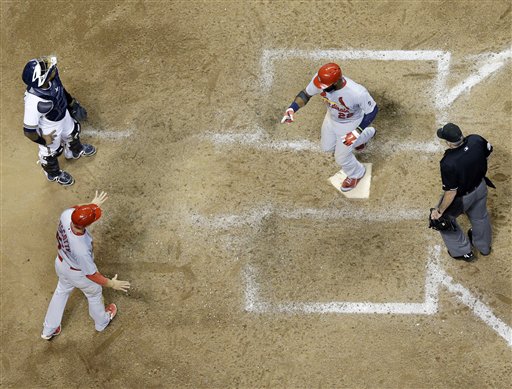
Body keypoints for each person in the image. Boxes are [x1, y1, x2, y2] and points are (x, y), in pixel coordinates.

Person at [41, 191, 130, 340]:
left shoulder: (66, 215)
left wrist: (91, 206)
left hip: (61, 264)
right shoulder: (81, 248)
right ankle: (102, 321)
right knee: (94, 293)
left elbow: (75, 208)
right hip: (78, 273)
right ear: (87, 225)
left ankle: (48, 330)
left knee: (61, 291)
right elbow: (91, 274)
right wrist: (112, 283)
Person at [281, 63, 379, 191]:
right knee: (327, 148)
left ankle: (357, 173)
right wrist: (292, 108)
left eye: (326, 87)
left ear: (337, 81)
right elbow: (306, 94)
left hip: (351, 123)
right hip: (331, 118)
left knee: (341, 157)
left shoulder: (357, 92)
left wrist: (356, 132)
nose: (322, 89)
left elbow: (373, 110)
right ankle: (364, 137)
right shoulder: (320, 80)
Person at [22, 55, 96, 186]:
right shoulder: (33, 102)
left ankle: (74, 151)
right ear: (42, 79)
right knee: (50, 153)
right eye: (46, 69)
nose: (51, 66)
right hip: (49, 127)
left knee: (73, 132)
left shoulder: (53, 77)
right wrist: (43, 139)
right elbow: (28, 131)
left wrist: (72, 103)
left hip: (63, 114)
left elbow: (61, 91)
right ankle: (53, 174)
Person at [430, 123, 494, 262]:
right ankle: (484, 247)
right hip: (481, 187)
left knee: (441, 221)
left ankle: (462, 251)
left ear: (448, 142)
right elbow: (488, 153)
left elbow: (451, 192)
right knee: (480, 217)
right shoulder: (476, 140)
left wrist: (439, 211)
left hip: (463, 198)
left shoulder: (448, 162)